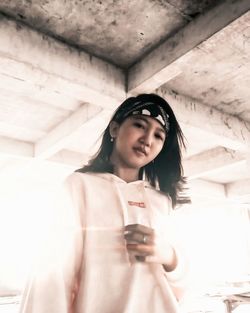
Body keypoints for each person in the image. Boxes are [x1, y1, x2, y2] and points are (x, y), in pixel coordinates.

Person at [19, 93, 190, 313]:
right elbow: (53, 278)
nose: (147, 140)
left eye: (159, 135)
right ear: (114, 129)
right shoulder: (79, 186)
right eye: (140, 125)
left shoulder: (162, 201)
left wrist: (169, 255)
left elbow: (183, 288)